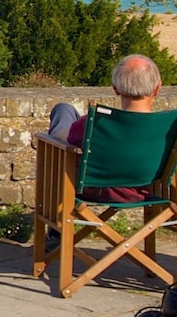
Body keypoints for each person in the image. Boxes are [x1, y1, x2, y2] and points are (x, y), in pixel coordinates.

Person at [46, 53, 164, 204]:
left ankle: (58, 221)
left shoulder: (98, 122)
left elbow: (65, 138)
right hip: (142, 190)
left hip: (94, 188)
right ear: (157, 88)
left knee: (62, 113)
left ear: (115, 88)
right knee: (65, 111)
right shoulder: (169, 127)